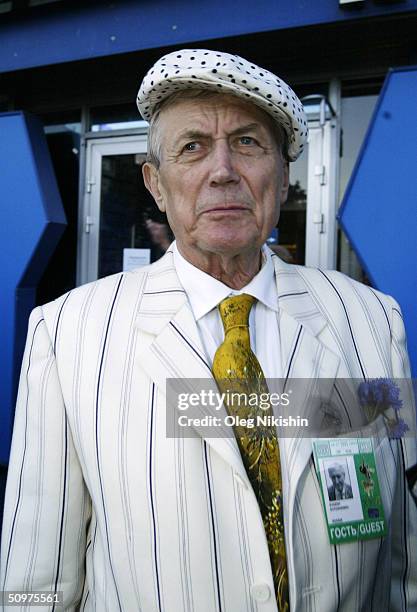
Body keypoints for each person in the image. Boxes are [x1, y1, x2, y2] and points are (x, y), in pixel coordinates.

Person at [1, 49, 416, 611]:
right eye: (192, 147)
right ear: (156, 183)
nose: (222, 170)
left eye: (247, 142)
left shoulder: (369, 320)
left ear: (285, 175)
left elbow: (400, 554)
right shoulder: (68, 332)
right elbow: (35, 575)